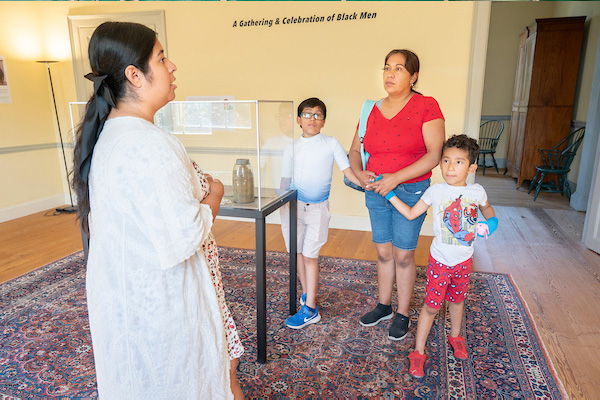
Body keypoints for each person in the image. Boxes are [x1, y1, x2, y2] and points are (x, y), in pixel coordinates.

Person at [71, 22, 243, 398]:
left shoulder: (111, 135)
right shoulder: (150, 144)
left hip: (128, 294)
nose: (173, 66)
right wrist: (215, 194)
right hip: (159, 303)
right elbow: (183, 236)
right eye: (162, 58)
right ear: (135, 75)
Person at [381, 134, 498, 378]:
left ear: (472, 167)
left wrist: (492, 223)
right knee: (431, 307)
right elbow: (412, 214)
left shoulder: (477, 191)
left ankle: (456, 337)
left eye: (458, 162)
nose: (450, 167)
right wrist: (390, 194)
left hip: (464, 261)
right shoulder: (436, 191)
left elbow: (487, 210)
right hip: (440, 262)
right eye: (445, 160)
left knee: (457, 301)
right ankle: (418, 351)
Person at [349, 49, 445, 340]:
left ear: (414, 76)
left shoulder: (426, 106)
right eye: (387, 68)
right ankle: (384, 306)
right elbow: (355, 151)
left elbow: (434, 155)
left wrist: (395, 179)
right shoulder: (370, 108)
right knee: (383, 251)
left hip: (411, 191)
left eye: (399, 68)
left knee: (403, 254)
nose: (390, 74)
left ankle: (402, 312)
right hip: (377, 190)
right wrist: (360, 173)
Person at [280, 97, 360, 329]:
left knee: (310, 255)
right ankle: (307, 294)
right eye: (307, 114)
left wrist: (365, 184)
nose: (312, 119)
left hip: (317, 209)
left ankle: (311, 309)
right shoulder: (291, 147)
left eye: (317, 115)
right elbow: (285, 180)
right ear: (298, 120)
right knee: (297, 252)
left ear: (323, 122)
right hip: (293, 207)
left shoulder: (331, 143)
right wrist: (280, 202)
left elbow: (348, 170)